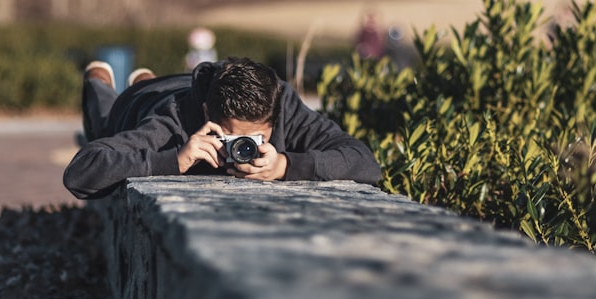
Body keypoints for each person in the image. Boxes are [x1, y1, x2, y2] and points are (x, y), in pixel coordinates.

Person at [63, 56, 382, 200]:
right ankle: (98, 79)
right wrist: (174, 160)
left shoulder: (282, 104)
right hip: (140, 103)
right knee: (104, 120)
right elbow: (81, 171)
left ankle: (146, 77)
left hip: (175, 85)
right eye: (230, 135)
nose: (241, 146)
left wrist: (286, 165)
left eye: (256, 136)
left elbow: (365, 162)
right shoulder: (171, 123)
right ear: (206, 114)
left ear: (273, 119)